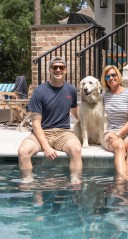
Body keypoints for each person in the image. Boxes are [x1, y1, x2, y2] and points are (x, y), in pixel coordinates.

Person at [18, 56, 82, 184]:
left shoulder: (71, 90)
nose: (58, 70)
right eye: (55, 67)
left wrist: (87, 124)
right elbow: (36, 124)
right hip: (43, 132)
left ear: (66, 70)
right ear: (50, 70)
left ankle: (75, 179)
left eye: (61, 67)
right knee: (23, 151)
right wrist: (46, 147)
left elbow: (75, 111)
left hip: (63, 133)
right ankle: (28, 180)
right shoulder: (40, 91)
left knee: (76, 149)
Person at [101, 65, 128, 181]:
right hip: (111, 130)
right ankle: (121, 179)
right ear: (105, 79)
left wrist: (118, 134)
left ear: (118, 76)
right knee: (119, 146)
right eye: (107, 76)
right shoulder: (105, 95)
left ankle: (127, 179)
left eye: (113, 75)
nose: (111, 78)